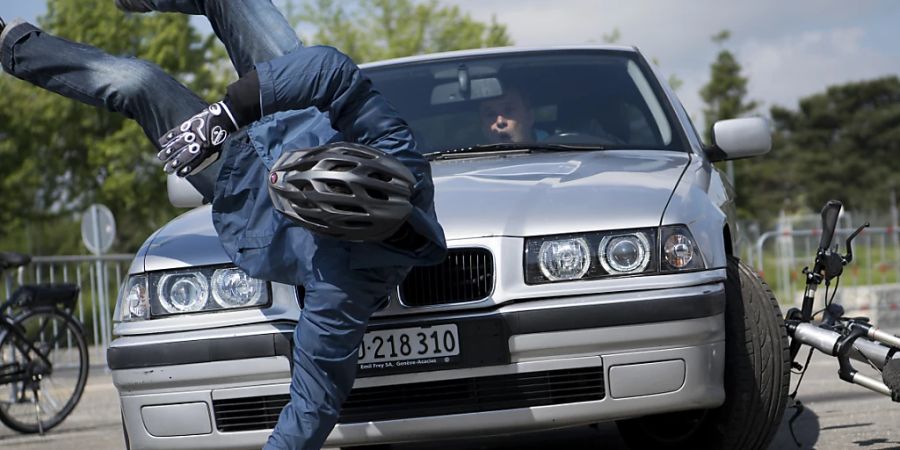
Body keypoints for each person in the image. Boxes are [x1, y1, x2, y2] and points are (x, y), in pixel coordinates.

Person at [0, 2, 446, 449]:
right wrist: (226, 115)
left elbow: (315, 401)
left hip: (241, 182)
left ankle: (13, 45)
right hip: (291, 113)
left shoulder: (343, 286)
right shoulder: (395, 148)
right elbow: (334, 71)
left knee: (139, 83)